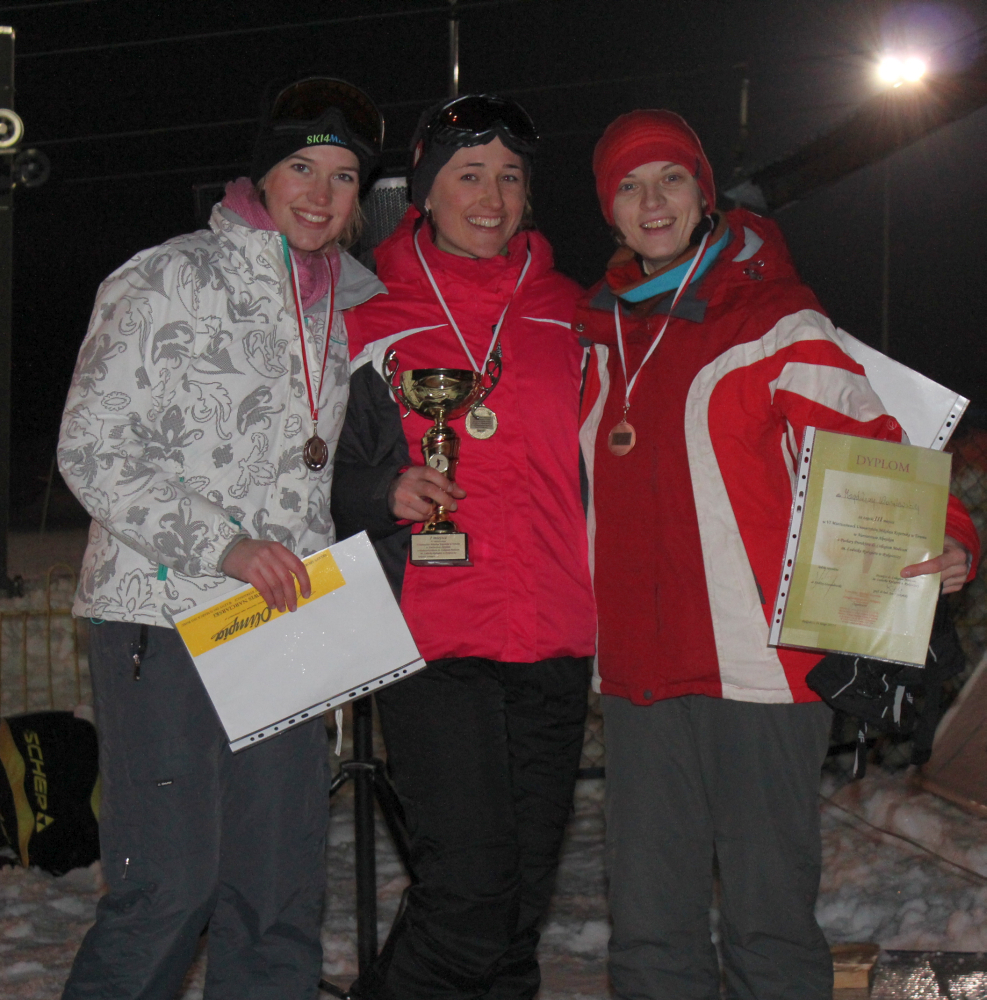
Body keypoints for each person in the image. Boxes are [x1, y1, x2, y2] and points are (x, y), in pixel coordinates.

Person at [574, 109, 981, 1000]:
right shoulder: (590, 336)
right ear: (609, 209)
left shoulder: (773, 319)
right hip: (639, 671)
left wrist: (948, 531)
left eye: (670, 179)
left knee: (767, 922)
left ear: (702, 193)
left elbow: (876, 441)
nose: (652, 200)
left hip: (760, 668)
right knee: (648, 927)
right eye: (629, 186)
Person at [56, 76, 386, 1000]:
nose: (320, 193)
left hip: (284, 622)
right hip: (164, 615)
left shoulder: (343, 307)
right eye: (301, 167)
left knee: (277, 894)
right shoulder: (170, 277)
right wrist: (227, 546)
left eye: (344, 177)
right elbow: (91, 446)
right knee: (170, 888)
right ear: (262, 174)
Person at [330, 94, 597, 1000]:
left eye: (510, 177)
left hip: (554, 636)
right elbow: (297, 477)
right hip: (431, 638)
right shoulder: (364, 312)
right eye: (469, 175)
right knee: (470, 894)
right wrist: (380, 491)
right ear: (424, 191)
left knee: (516, 914)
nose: (491, 198)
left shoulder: (572, 312)